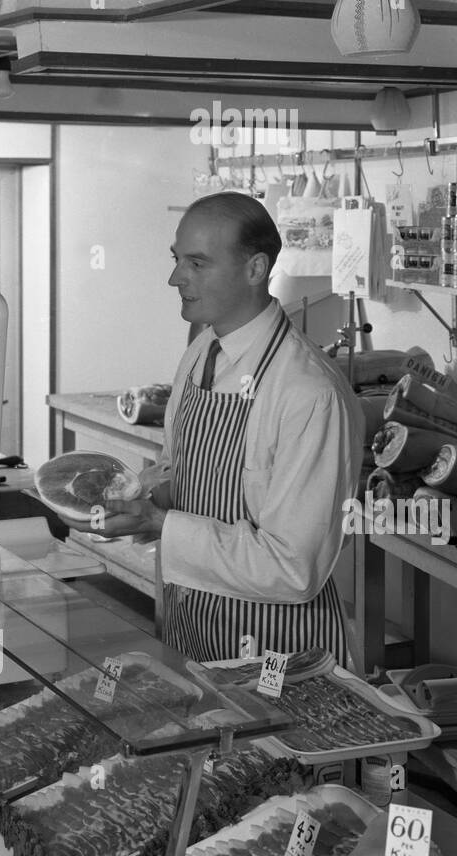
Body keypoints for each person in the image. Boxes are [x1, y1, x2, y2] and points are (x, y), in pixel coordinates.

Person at [71, 192, 364, 665]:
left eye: (197, 263)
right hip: (192, 630)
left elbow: (293, 568)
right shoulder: (200, 353)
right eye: (176, 260)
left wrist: (159, 524)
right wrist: (142, 497)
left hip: (278, 656)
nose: (174, 277)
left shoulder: (309, 393)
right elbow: (185, 474)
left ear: (255, 268)